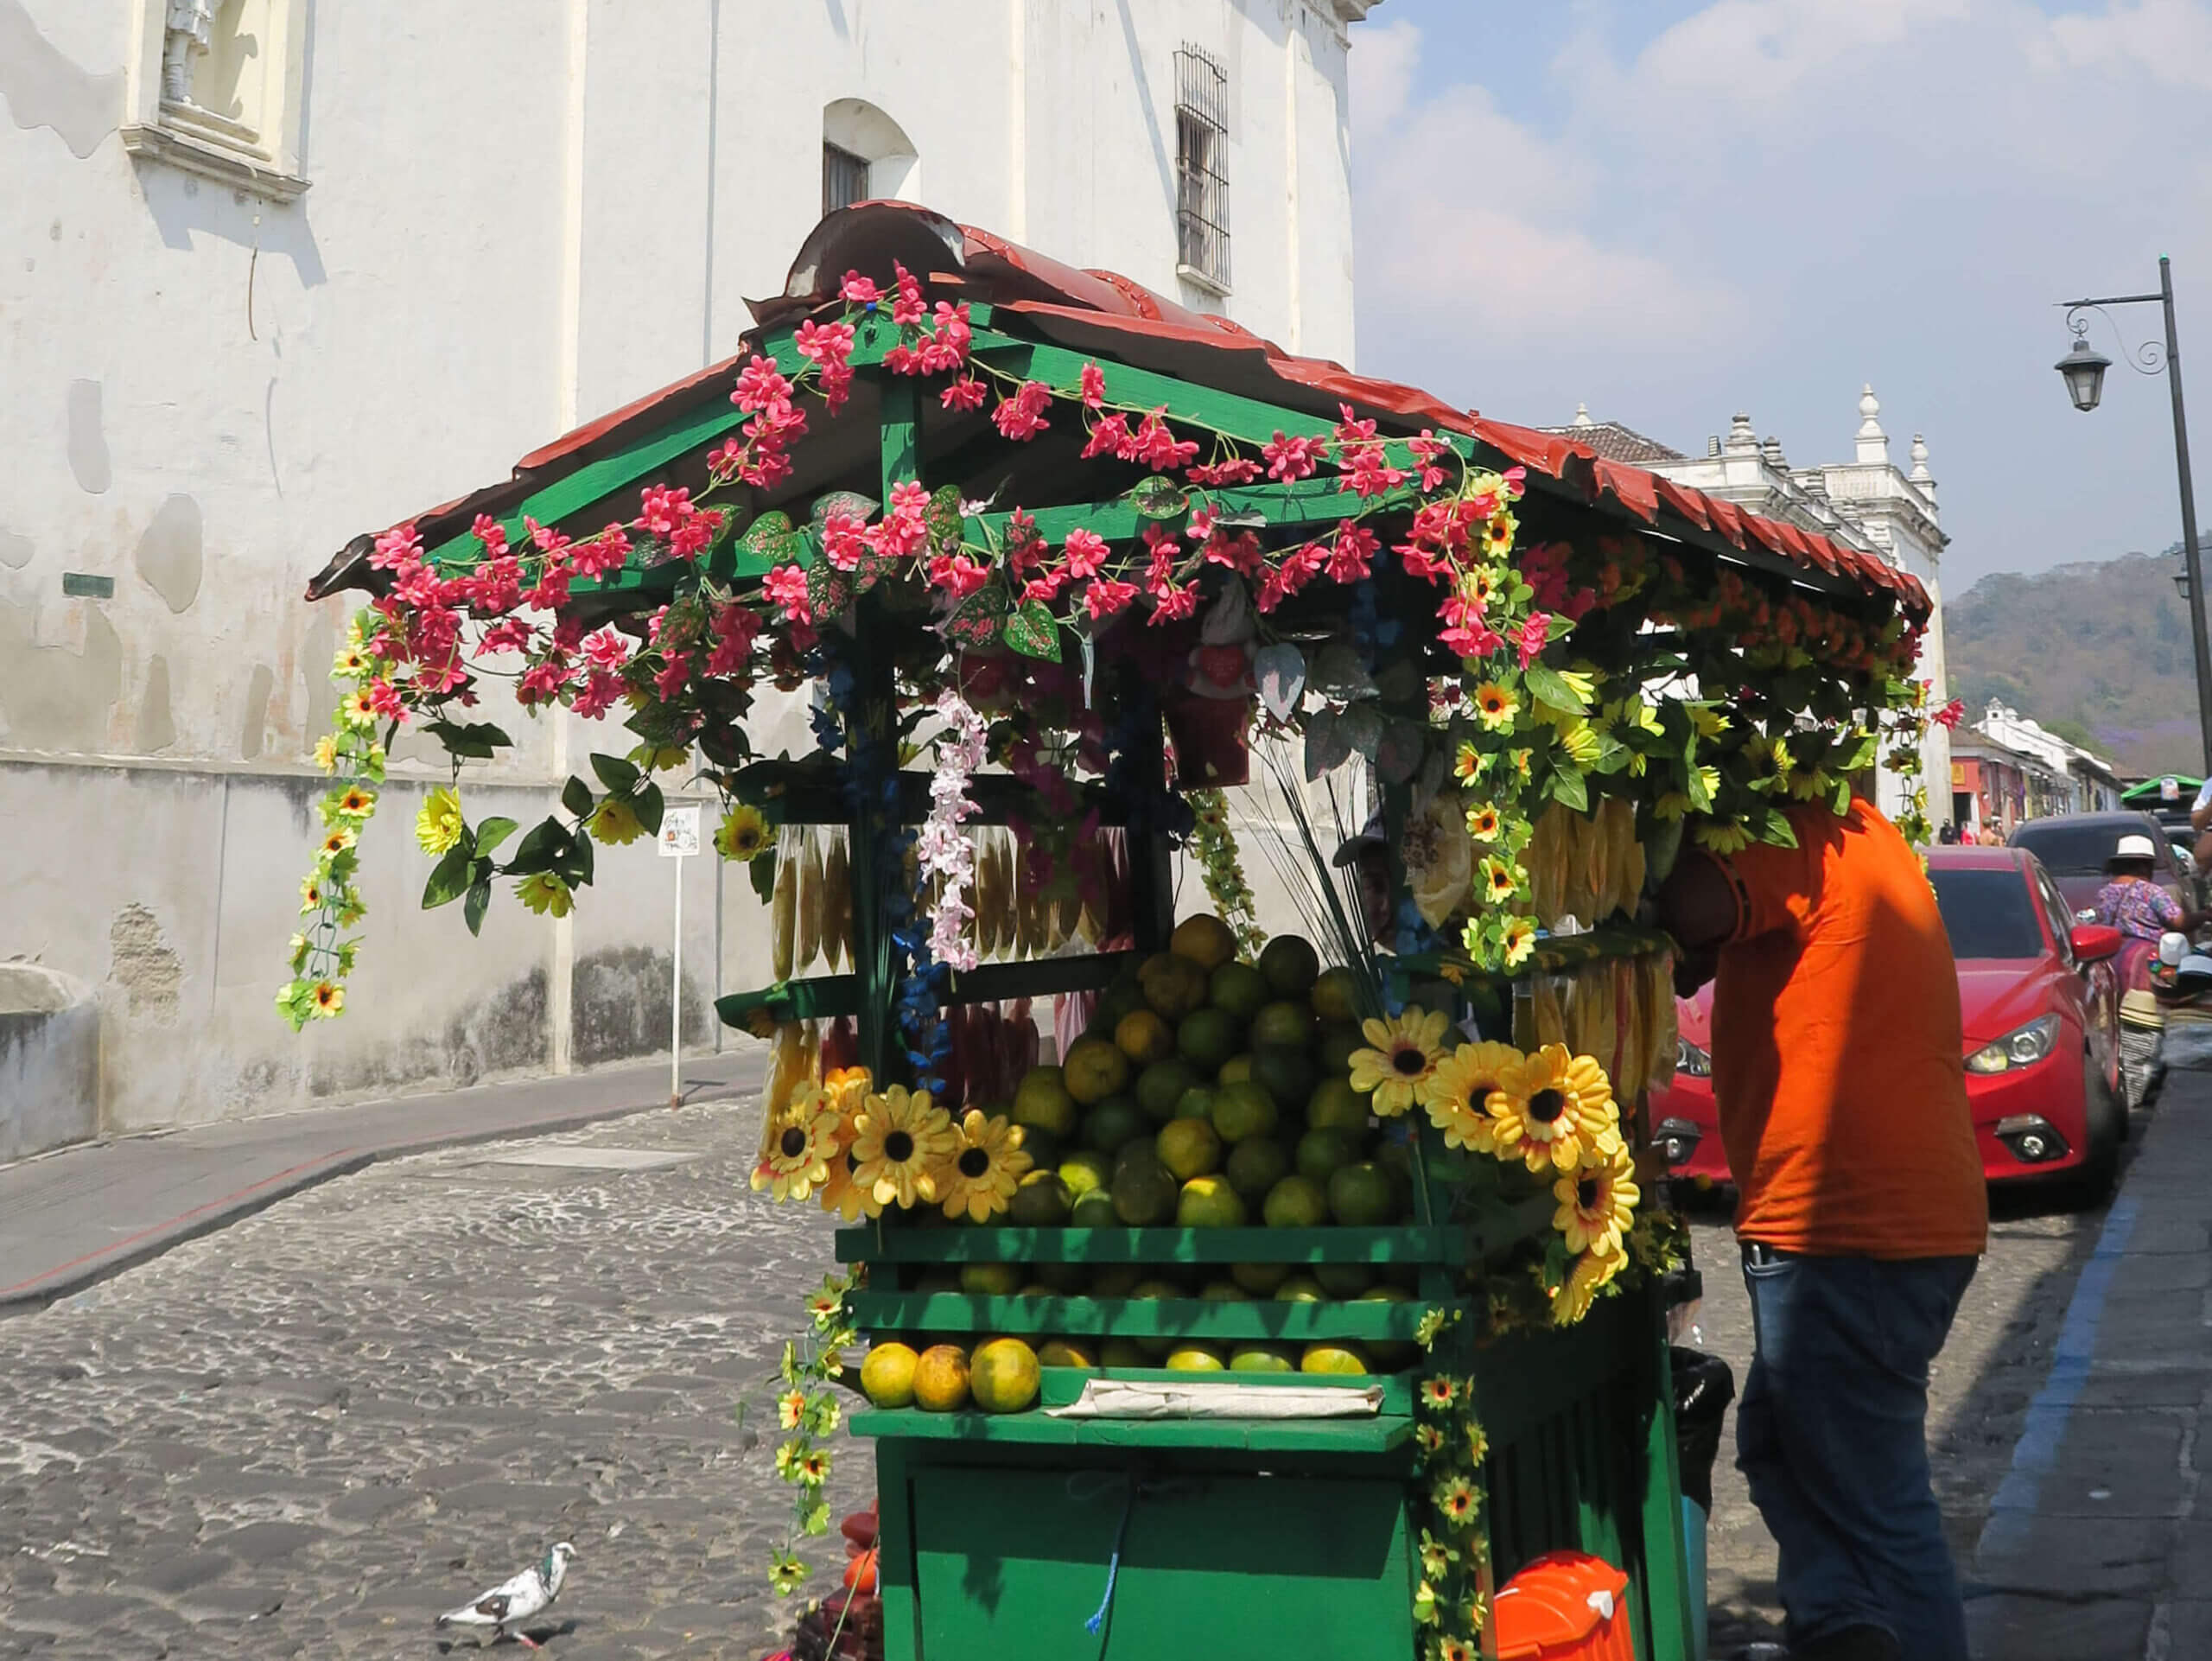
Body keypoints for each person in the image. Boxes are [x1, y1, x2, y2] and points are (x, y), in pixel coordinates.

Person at [1655, 790, 1986, 1661]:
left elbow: (1693, 901)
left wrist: (1636, 863)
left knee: (1877, 1500)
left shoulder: (1793, 826)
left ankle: (1877, 1628)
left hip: (1847, 1220)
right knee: (1783, 1441)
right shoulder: (1859, 835)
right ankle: (1845, 1630)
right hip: (1887, 1217)